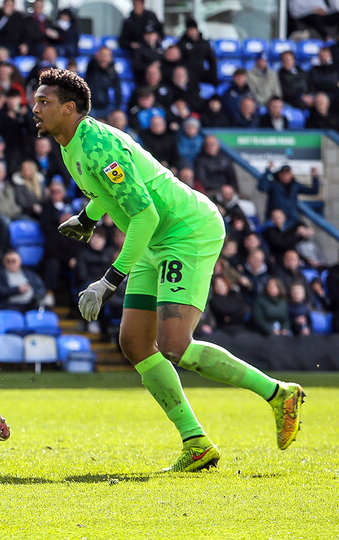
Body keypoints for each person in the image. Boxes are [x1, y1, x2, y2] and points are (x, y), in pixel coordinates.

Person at [33, 68, 305, 472]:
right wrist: (88, 217)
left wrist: (108, 281)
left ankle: (279, 394)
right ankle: (196, 443)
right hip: (154, 239)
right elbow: (113, 193)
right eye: (35, 100)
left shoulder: (98, 145)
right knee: (136, 343)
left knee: (175, 344)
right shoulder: (70, 143)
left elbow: (144, 214)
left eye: (44, 102)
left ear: (69, 108)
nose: (33, 108)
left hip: (185, 233)